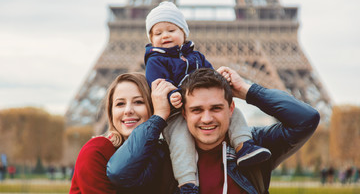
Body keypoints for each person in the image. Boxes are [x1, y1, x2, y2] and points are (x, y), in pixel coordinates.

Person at [108, 67, 320, 193]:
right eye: (197, 110)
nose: (207, 118)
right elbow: (119, 173)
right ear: (184, 113)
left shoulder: (253, 149)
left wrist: (247, 90)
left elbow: (306, 119)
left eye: (216, 108)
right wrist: (159, 116)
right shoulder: (165, 156)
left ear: (231, 108)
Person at [144, 1, 271, 189]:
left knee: (232, 113)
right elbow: (158, 84)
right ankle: (187, 182)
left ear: (184, 34)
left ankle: (244, 145)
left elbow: (211, 75)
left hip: (198, 105)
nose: (165, 36)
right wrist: (172, 94)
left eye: (171, 30)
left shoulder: (197, 56)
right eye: (158, 33)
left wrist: (222, 80)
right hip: (175, 112)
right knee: (180, 141)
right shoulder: (156, 60)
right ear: (151, 39)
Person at [70, 73, 176, 193]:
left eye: (138, 102)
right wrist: (159, 116)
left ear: (153, 106)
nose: (128, 110)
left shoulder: (163, 153)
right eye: (120, 104)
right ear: (111, 113)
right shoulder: (97, 151)